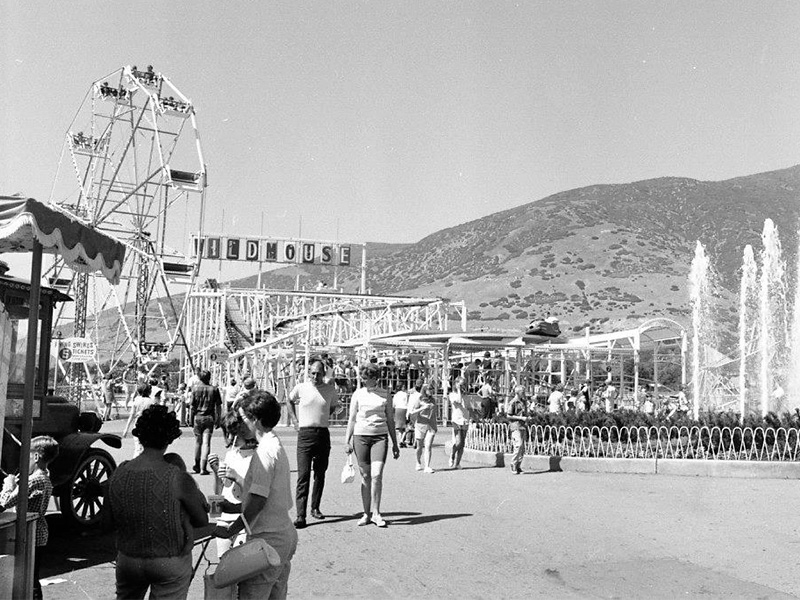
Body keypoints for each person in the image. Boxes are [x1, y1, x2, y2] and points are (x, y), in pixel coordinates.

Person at [107, 406, 209, 600]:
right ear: (169, 438)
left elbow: (107, 521)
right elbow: (202, 520)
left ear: (141, 435)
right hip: (169, 559)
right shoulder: (177, 478)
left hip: (128, 558)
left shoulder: (119, 472)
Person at [213, 392, 297, 599]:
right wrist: (232, 508)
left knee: (253, 594)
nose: (239, 424)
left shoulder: (264, 452)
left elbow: (258, 502)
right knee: (276, 594)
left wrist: (232, 529)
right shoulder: (272, 443)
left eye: (243, 419)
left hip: (267, 538)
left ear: (255, 420)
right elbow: (264, 497)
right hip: (281, 533)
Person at [0, 435, 59, 600]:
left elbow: (6, 501)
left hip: (30, 533)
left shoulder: (34, 480)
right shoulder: (44, 476)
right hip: (40, 533)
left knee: (28, 578)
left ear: (35, 456)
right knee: (32, 577)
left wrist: (9, 484)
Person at [344, 363, 400, 527]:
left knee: (376, 475)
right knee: (366, 476)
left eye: (365, 378)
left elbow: (390, 419)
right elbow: (352, 418)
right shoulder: (358, 394)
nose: (362, 380)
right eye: (362, 377)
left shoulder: (385, 394)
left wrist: (395, 443)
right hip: (360, 437)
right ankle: (366, 513)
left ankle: (376, 512)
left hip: (379, 438)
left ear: (374, 378)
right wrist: (347, 440)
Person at [286, 359, 339, 529]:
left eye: (319, 373)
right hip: (305, 434)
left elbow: (333, 407)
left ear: (324, 374)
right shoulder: (301, 388)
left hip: (322, 434)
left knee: (320, 473)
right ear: (308, 373)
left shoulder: (330, 390)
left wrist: (323, 416)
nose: (315, 376)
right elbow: (288, 400)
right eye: (313, 373)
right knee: (303, 475)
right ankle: (300, 515)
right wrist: (294, 420)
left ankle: (315, 507)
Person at [208, 410, 257, 557]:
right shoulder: (231, 455)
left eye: (232, 433)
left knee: (239, 566)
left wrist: (236, 477)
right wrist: (216, 472)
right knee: (222, 562)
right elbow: (218, 494)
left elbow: (256, 496)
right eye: (227, 433)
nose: (229, 438)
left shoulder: (258, 457)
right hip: (223, 519)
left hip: (243, 521)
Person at [190, 370, 223, 474]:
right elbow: (218, 406)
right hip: (209, 417)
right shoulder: (214, 389)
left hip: (198, 417)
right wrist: (218, 419)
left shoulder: (195, 389)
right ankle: (203, 468)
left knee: (197, 442)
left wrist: (191, 419)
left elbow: (192, 406)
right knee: (206, 443)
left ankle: (197, 465)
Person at [408, 382, 438, 473]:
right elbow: (412, 412)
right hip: (420, 424)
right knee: (419, 447)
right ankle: (418, 462)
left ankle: (427, 466)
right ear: (425, 390)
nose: (431, 391)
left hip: (431, 425)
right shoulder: (419, 399)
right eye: (429, 389)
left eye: (432, 389)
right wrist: (423, 408)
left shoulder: (433, 400)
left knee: (428, 446)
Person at [122, 383, 157, 457]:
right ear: (149, 392)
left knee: (138, 447)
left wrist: (126, 429)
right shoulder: (152, 402)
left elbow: (131, 415)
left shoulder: (136, 401)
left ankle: (136, 463)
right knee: (148, 447)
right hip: (149, 426)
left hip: (138, 424)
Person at [507, 385, 530, 474]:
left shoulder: (524, 402)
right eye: (522, 392)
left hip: (523, 426)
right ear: (518, 392)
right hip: (515, 425)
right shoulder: (513, 402)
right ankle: (513, 463)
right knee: (518, 445)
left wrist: (527, 418)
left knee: (522, 448)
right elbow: (508, 415)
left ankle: (518, 466)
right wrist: (521, 418)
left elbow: (525, 413)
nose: (524, 393)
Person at [448, 377, 470, 469]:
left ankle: (457, 463)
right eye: (461, 384)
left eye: (463, 384)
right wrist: (458, 389)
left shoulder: (466, 396)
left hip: (465, 420)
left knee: (462, 443)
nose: (462, 386)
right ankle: (452, 454)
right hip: (456, 420)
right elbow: (459, 400)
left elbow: (467, 407)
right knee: (458, 442)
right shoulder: (452, 395)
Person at [392, 383, 410, 448]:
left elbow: (393, 404)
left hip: (397, 409)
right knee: (406, 427)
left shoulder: (396, 395)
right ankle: (402, 440)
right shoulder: (405, 394)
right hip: (404, 409)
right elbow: (408, 402)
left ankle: (401, 440)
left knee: (399, 428)